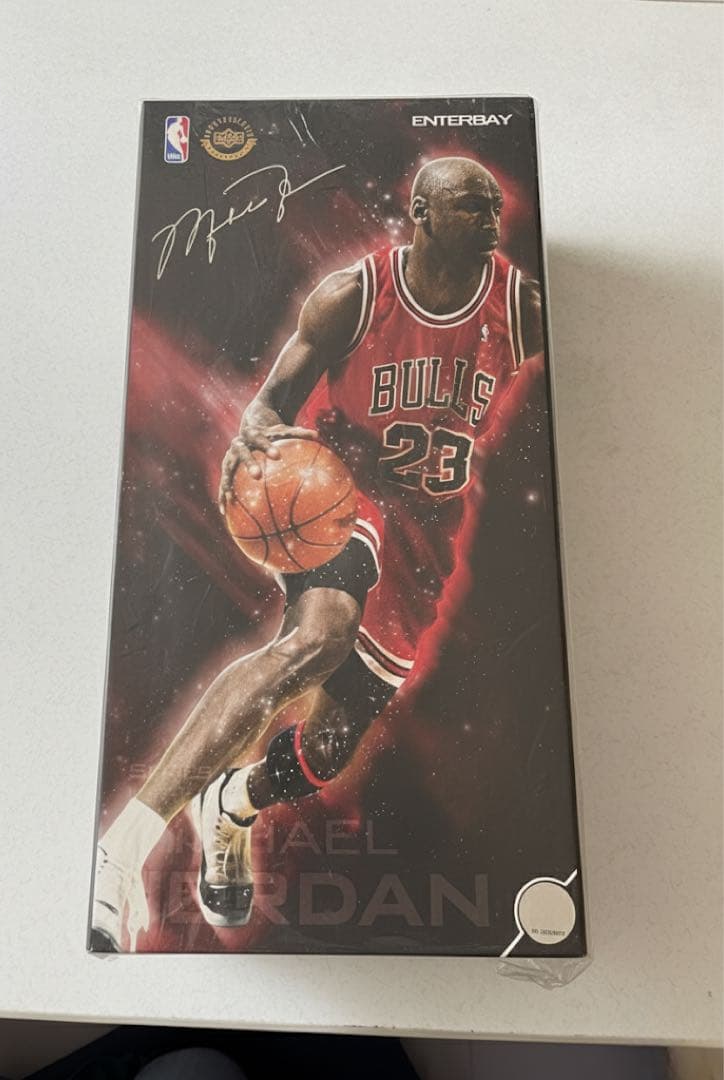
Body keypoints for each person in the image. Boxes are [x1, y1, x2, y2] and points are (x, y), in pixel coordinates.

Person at [91, 156, 544, 951]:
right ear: (423, 215)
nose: (490, 220)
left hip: (425, 534)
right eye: (471, 208)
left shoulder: (521, 308)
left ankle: (232, 803)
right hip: (337, 495)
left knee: (327, 753)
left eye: (491, 209)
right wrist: (254, 437)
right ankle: (124, 849)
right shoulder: (352, 297)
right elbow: (270, 405)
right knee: (316, 639)